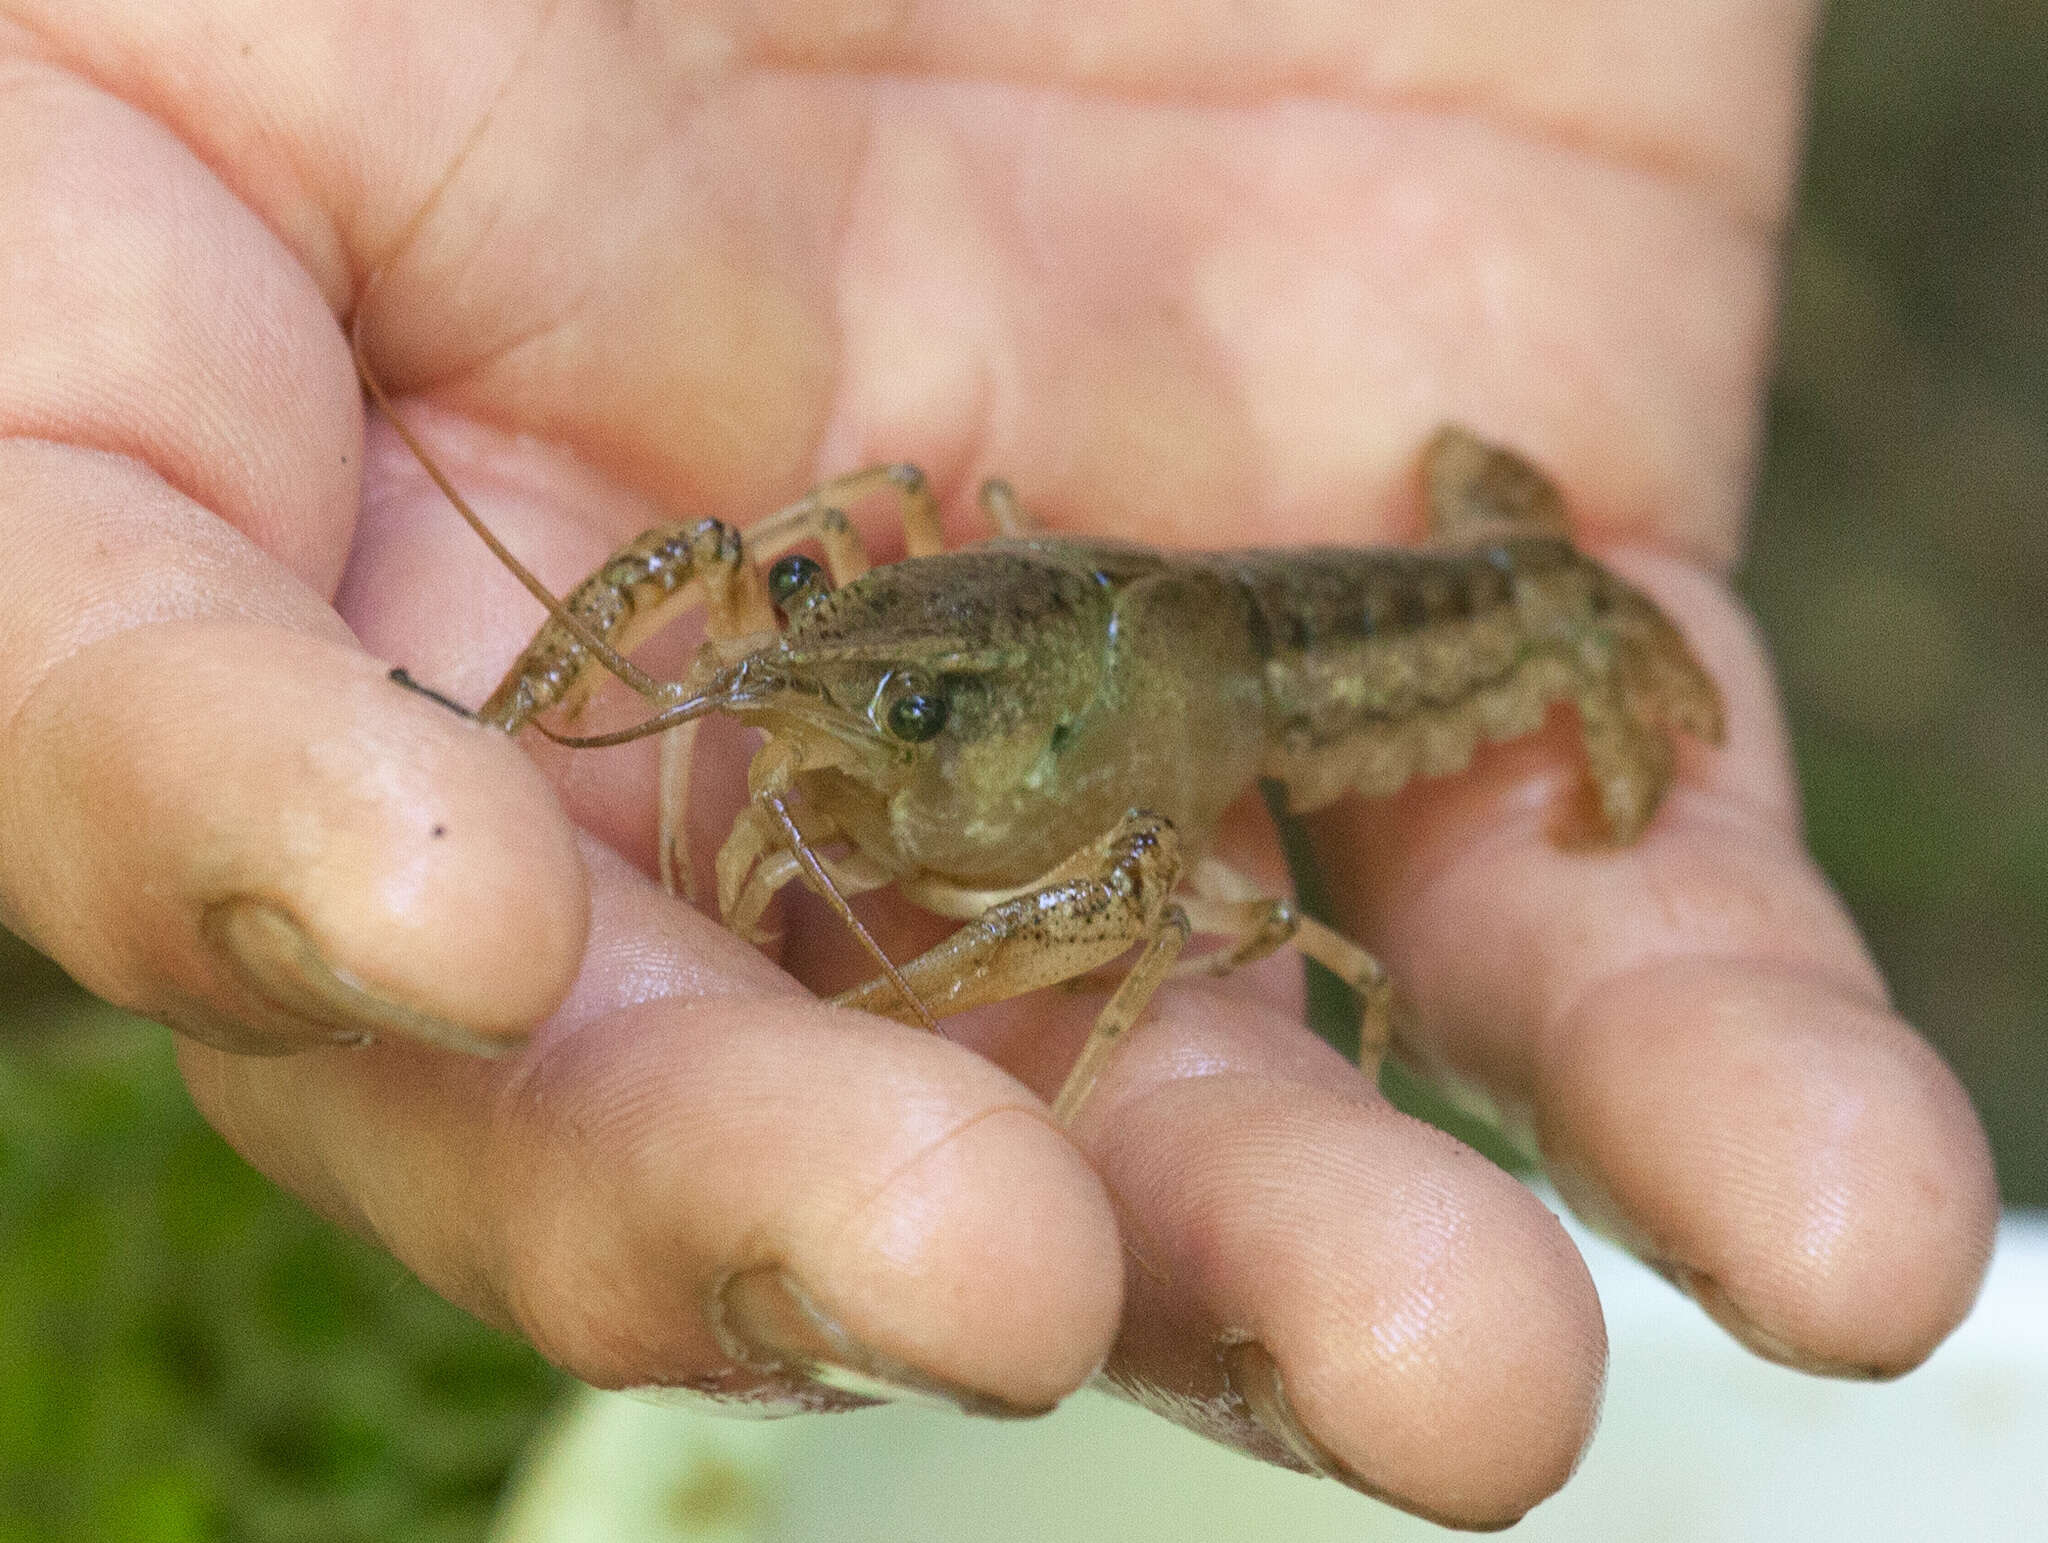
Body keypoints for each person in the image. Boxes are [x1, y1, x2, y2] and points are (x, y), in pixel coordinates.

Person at [0, 2, 1996, 1528]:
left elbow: (1160, 910)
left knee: (1144, 941)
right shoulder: (844, 624)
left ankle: (1552, 617)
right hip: (1116, 610)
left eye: (923, 717)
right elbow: (760, 585)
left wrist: (880, 1001)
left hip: (1396, 638)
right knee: (770, 672)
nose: (795, 690)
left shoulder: (1159, 797)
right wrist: (531, 732)